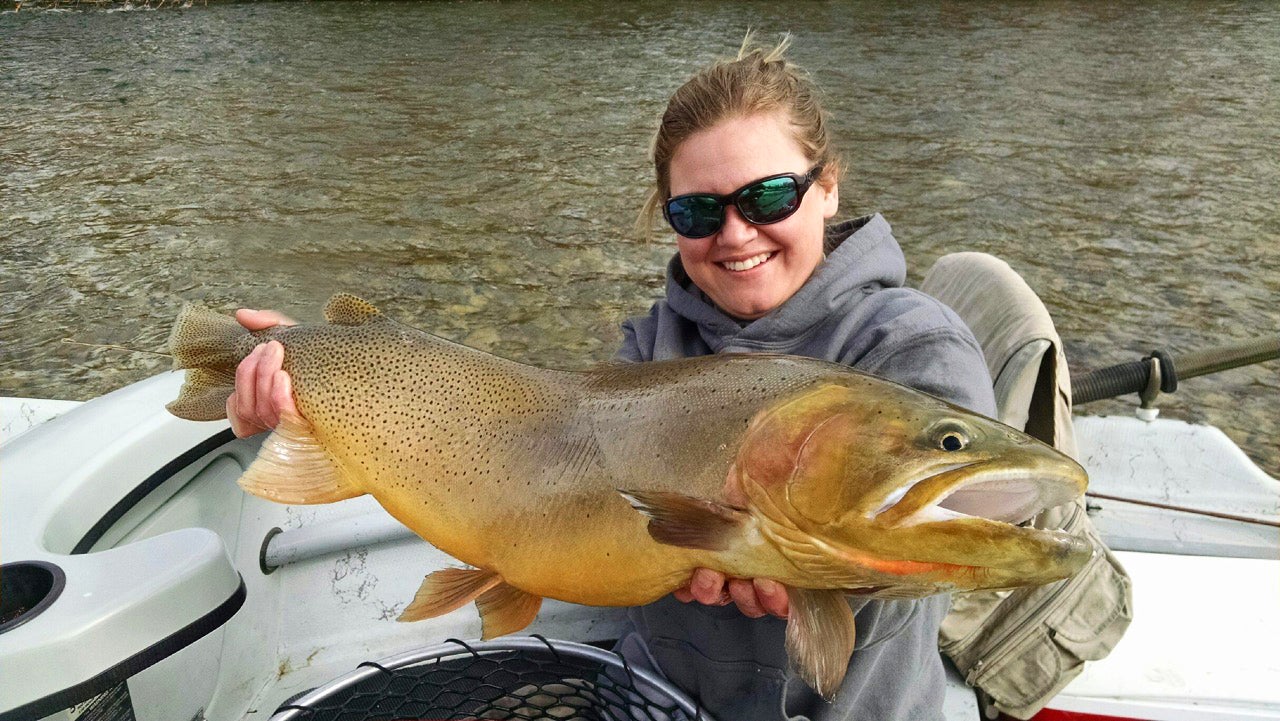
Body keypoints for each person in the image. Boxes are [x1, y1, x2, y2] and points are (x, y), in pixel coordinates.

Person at [227, 37, 996, 721]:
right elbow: (528, 444)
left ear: (827, 187)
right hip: (649, 694)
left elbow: (959, 546)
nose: (735, 233)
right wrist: (310, 377)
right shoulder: (653, 343)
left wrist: (821, 577)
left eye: (768, 196)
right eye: (697, 212)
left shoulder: (914, 347)